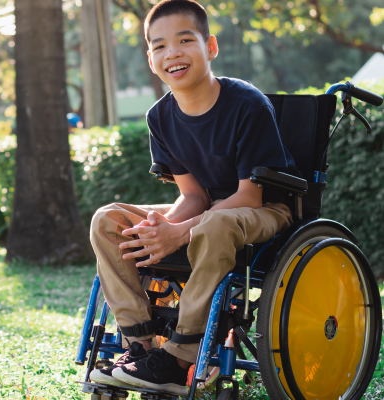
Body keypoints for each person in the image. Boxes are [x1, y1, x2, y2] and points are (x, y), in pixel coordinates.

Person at [88, 0, 300, 396]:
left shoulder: (247, 105)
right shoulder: (159, 117)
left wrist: (179, 233)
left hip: (263, 209)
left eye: (185, 40)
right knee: (107, 219)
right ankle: (141, 346)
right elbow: (194, 195)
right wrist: (165, 225)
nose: (173, 53)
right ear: (151, 60)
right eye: (159, 46)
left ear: (211, 47)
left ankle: (181, 355)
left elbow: (247, 197)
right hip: (210, 214)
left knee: (216, 224)